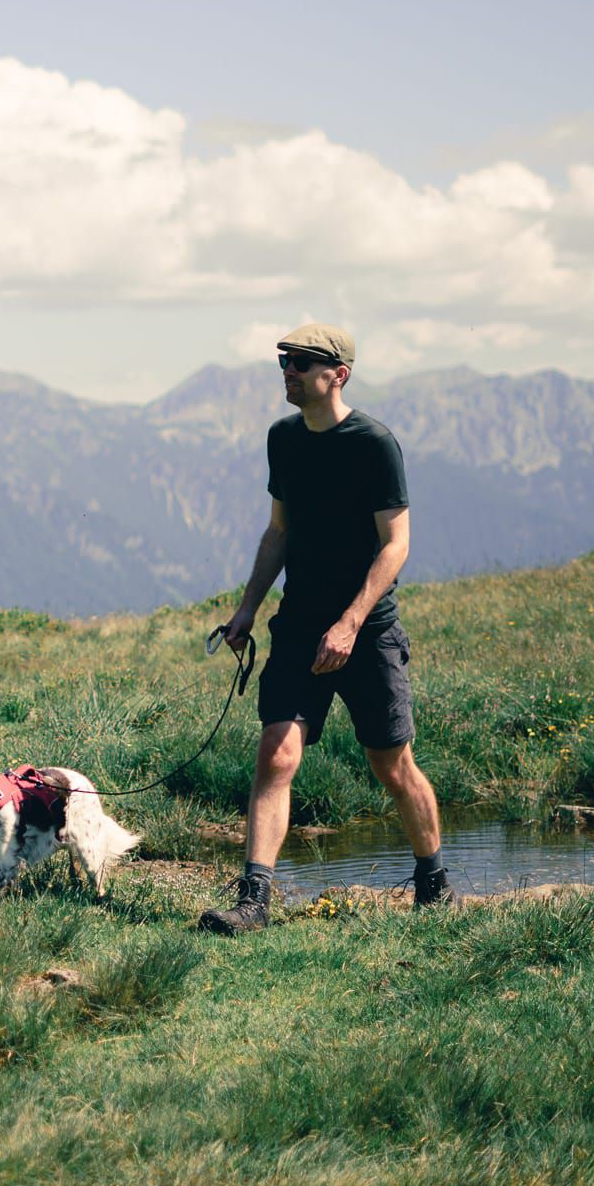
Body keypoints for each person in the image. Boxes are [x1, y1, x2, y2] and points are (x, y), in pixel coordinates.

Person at [198, 323, 447, 934]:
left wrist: (351, 623)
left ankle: (434, 883)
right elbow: (278, 531)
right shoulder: (282, 439)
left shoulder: (374, 444)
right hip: (298, 626)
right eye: (284, 360)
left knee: (392, 765)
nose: (289, 370)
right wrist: (247, 608)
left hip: (367, 631)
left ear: (339, 375)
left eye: (302, 362)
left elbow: (396, 545)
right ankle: (254, 901)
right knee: (275, 754)